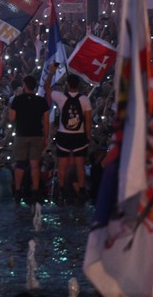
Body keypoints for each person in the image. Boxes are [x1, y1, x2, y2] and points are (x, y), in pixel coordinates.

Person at [45, 72, 92, 201]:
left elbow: (46, 88)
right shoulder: (85, 100)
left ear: (67, 84)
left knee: (62, 164)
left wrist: (51, 71)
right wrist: (88, 136)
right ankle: (82, 190)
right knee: (80, 164)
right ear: (79, 85)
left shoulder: (61, 97)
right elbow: (88, 121)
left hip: (64, 135)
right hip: (79, 136)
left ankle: (61, 190)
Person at [9, 75, 50, 205]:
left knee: (20, 164)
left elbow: (11, 118)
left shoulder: (17, 99)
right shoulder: (41, 100)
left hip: (21, 135)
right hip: (37, 135)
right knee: (34, 164)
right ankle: (36, 191)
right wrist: (46, 137)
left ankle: (17, 191)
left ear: (25, 85)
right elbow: (46, 121)